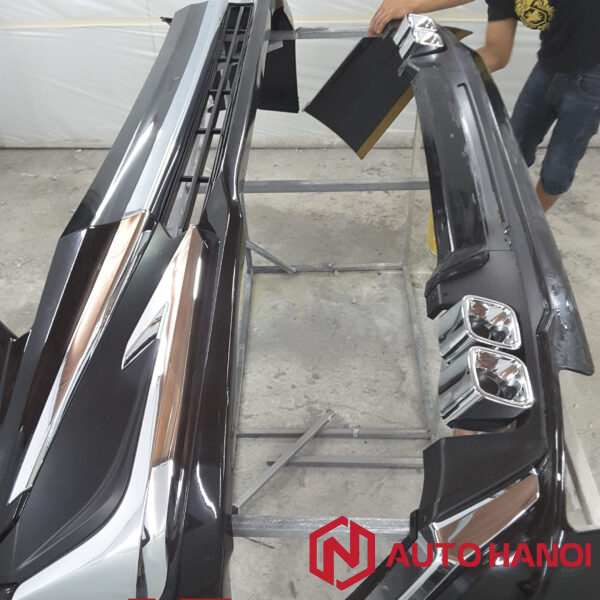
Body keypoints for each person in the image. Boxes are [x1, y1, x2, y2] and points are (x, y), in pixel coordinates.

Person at [369, 0, 600, 212]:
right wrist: (436, 74)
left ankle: (533, 225)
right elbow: (496, 54)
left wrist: (414, 5)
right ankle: (506, 217)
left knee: (557, 169)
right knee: (513, 149)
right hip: (549, 66)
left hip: (592, 77)